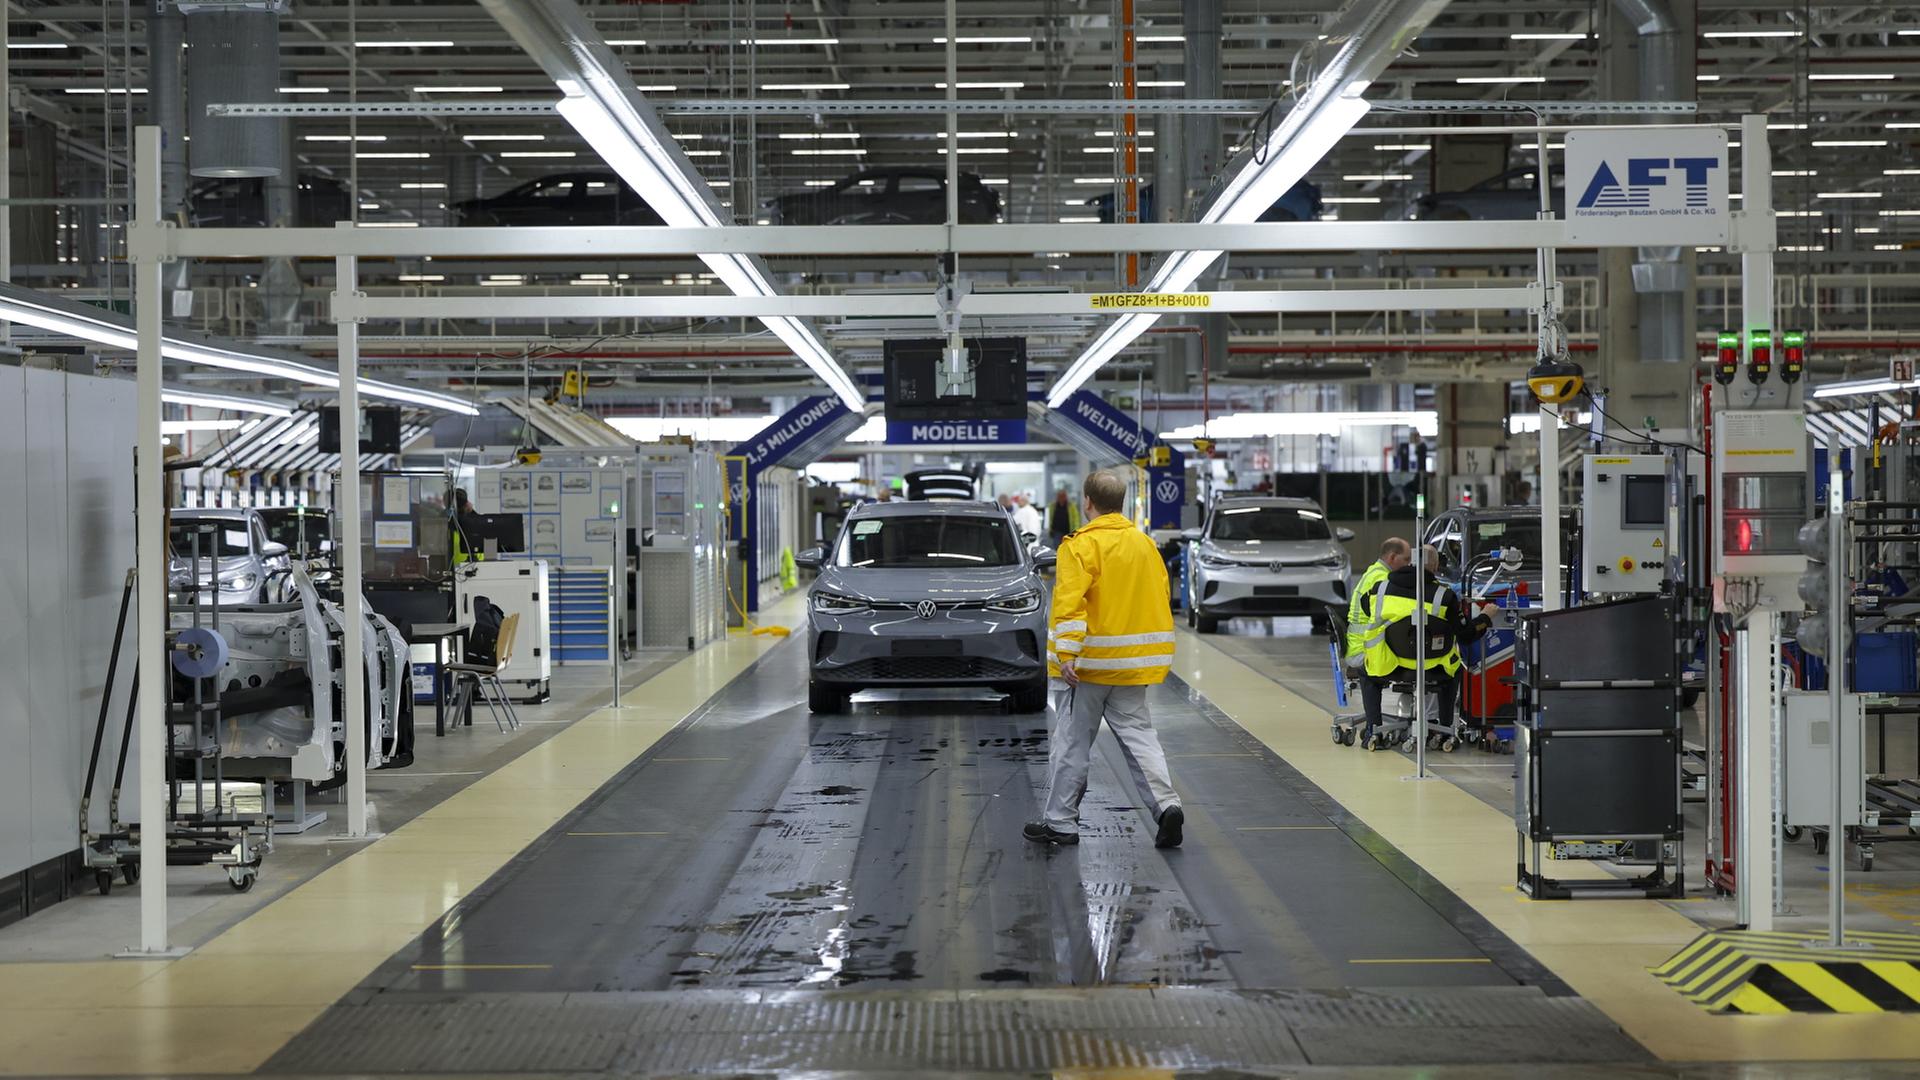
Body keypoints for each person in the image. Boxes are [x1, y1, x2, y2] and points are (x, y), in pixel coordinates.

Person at [1028, 469, 1185, 849]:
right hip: (1132, 666)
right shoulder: (1145, 545)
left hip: (1087, 667)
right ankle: (1166, 806)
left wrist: (1066, 654)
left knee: (1072, 742)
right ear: (1122, 502)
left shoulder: (1079, 546)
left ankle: (1061, 822)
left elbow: (1069, 604)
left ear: (1087, 503)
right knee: (1140, 738)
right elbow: (1160, 595)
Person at [1354, 545, 1496, 744]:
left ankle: (1373, 730)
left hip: (1388, 665)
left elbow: (1366, 611)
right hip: (1432, 668)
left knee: (1366, 672)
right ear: (1436, 566)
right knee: (1455, 670)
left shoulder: (1380, 589)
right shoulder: (1444, 596)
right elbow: (1465, 635)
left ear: (1410, 562)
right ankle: (1445, 730)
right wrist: (1485, 617)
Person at [1345, 537, 1411, 665]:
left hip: (1362, 646)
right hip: (1364, 652)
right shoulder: (1382, 580)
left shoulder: (1375, 571)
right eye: (1406, 559)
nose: (1409, 565)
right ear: (1392, 557)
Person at [451, 487, 487, 565]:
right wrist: (471, 511)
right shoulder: (472, 520)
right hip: (473, 565)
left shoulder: (446, 520)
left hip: (457, 566)